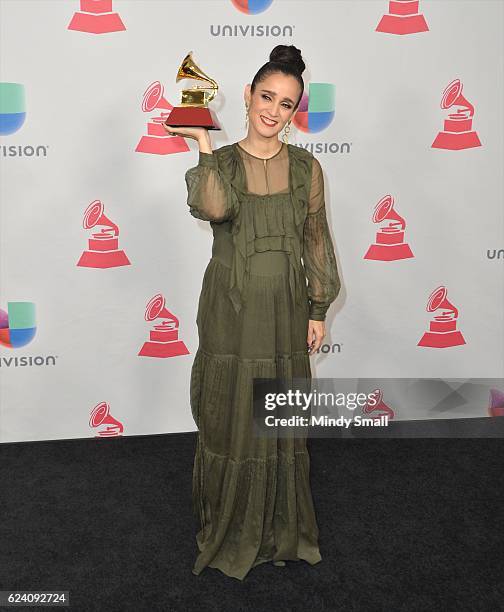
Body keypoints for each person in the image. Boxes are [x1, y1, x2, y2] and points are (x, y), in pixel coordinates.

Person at [164, 44, 341, 581]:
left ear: (294, 112)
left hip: (287, 308)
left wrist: (318, 307)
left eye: (286, 104)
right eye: (266, 96)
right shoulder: (219, 163)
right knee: (231, 412)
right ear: (248, 94)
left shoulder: (308, 167)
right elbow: (215, 208)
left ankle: (278, 528)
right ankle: (231, 527)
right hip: (232, 308)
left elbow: (316, 241)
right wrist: (201, 141)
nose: (273, 110)